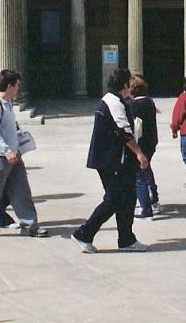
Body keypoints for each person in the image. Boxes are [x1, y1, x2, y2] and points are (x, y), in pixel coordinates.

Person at [71, 68, 150, 253]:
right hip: (111, 160)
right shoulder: (113, 103)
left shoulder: (118, 101)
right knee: (114, 199)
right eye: (129, 82)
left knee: (128, 198)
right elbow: (123, 132)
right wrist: (139, 153)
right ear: (124, 84)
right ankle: (83, 233)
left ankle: (126, 239)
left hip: (119, 160)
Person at [0, 70, 48, 238]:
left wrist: (16, 149)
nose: (18, 88)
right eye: (17, 85)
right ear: (10, 86)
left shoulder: (7, 103)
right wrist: (7, 150)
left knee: (21, 190)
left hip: (14, 154)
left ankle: (29, 224)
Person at [130, 75, 160, 219]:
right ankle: (154, 198)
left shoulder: (134, 105)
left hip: (140, 143)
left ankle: (145, 208)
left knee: (139, 176)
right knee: (146, 169)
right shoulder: (150, 102)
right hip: (151, 141)